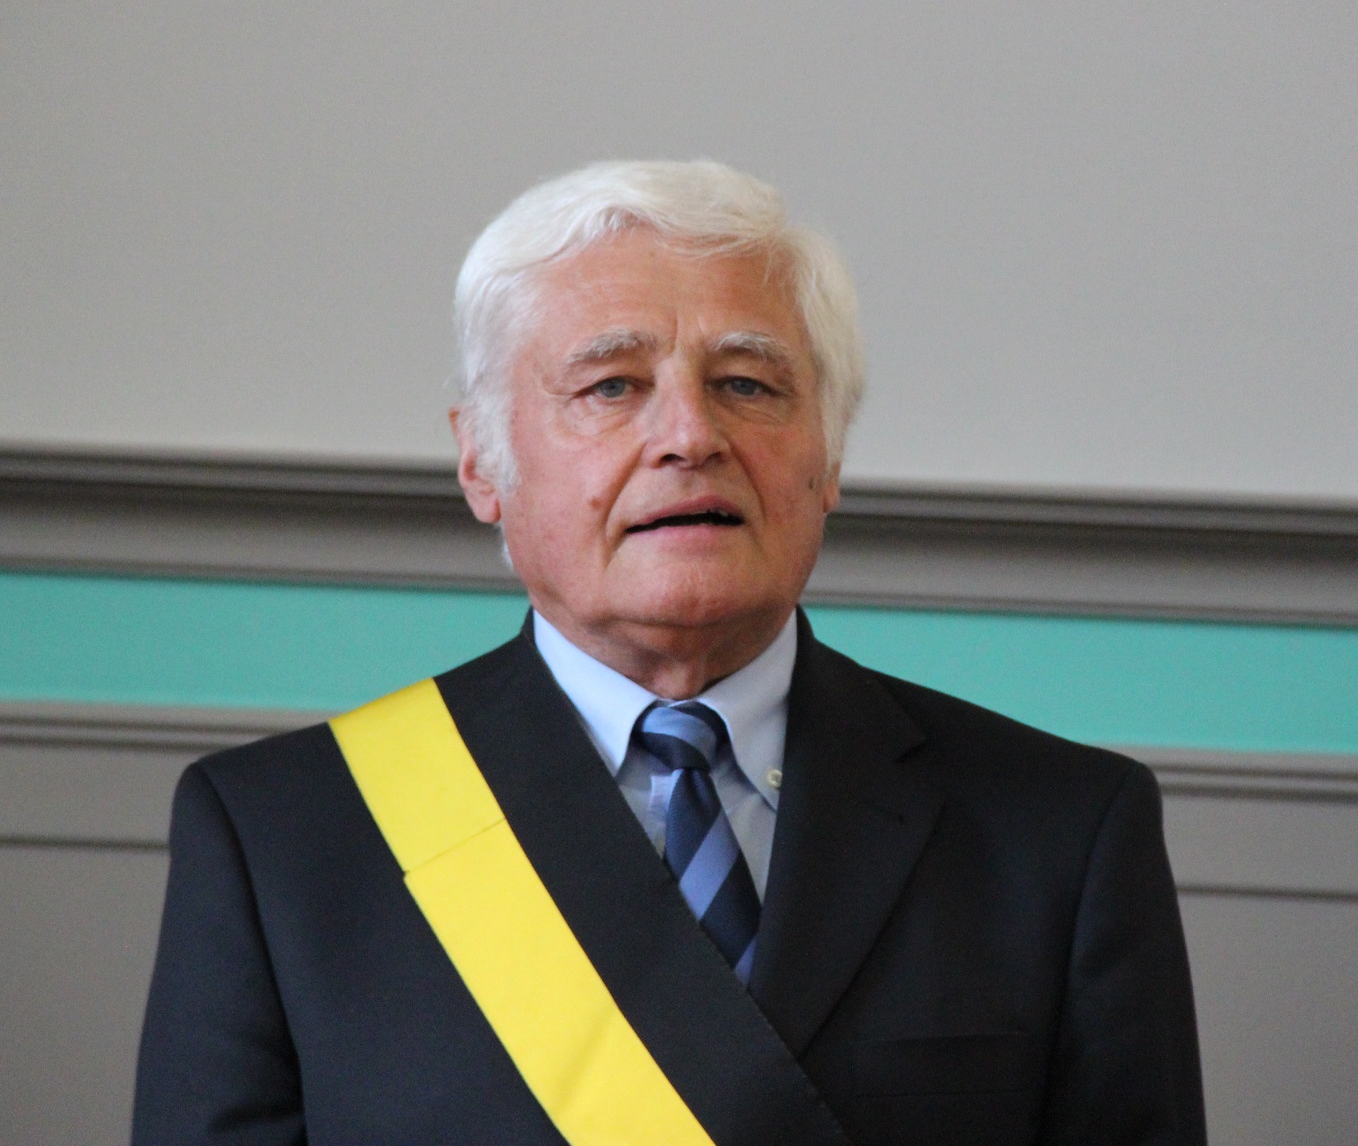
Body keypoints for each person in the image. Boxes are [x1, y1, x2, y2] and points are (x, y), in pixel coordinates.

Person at [133, 161, 1206, 1145]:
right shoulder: (284, 838)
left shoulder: (1059, 832)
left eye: (747, 384)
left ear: (829, 455)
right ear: (481, 464)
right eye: (610, 386)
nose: (691, 435)